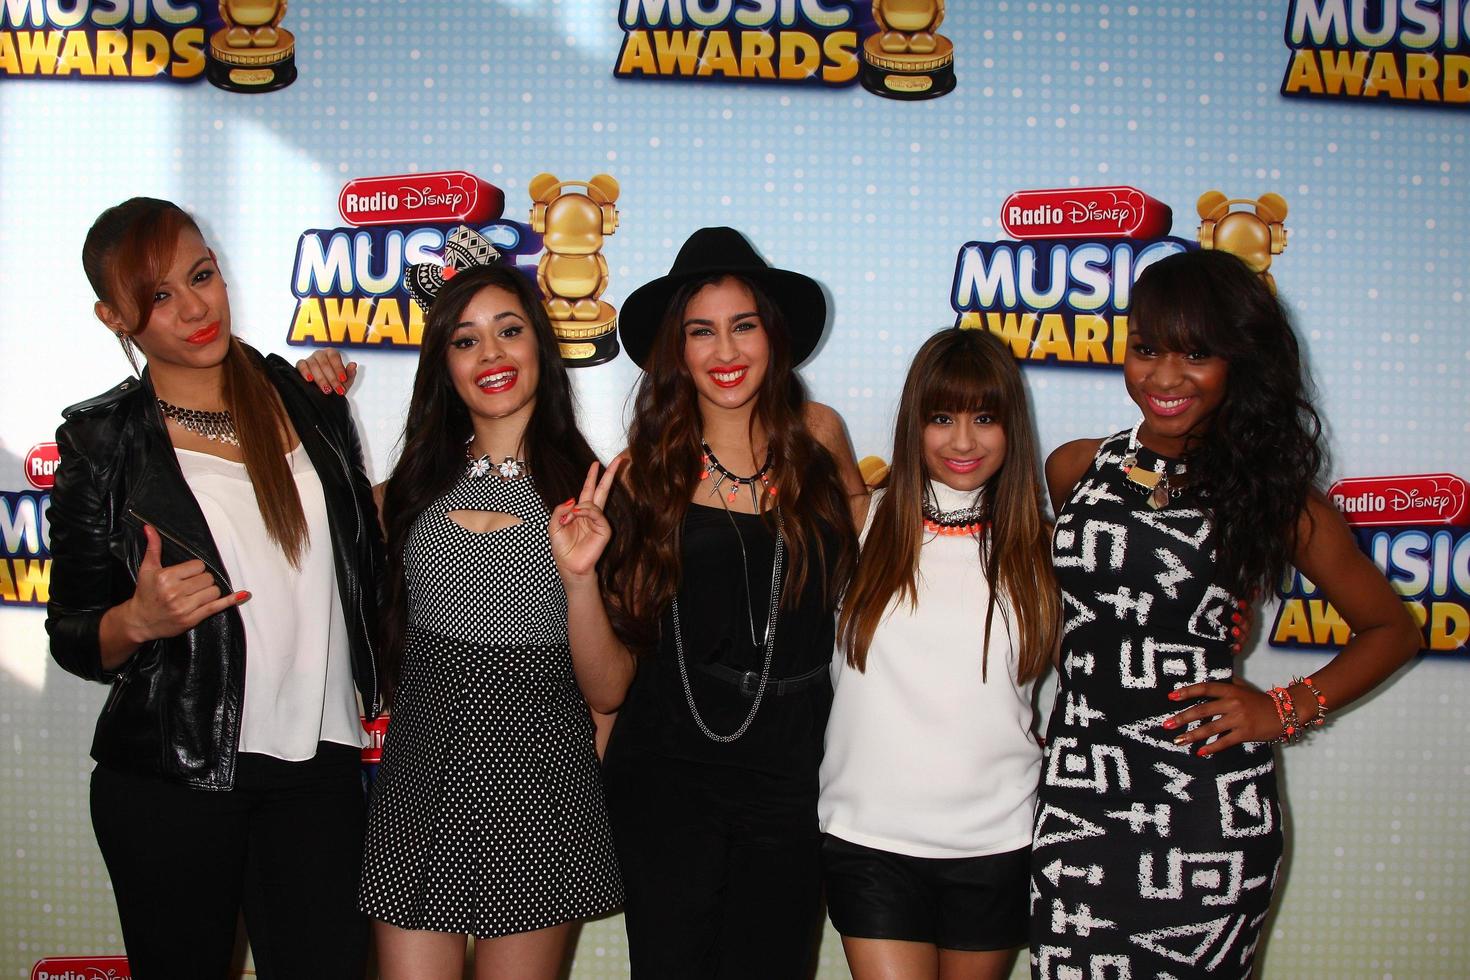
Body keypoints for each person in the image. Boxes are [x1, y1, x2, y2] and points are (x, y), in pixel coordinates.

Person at [1029, 248, 1420, 978]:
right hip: (1079, 799)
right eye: (1145, 349)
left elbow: (1394, 630)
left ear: (1239, 362)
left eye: (1196, 354)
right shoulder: (1073, 467)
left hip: (1206, 807)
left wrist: (1285, 708)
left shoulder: (1278, 499)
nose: (1165, 377)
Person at [46, 197, 382, 978]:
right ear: (114, 316)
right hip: (175, 775)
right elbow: (73, 634)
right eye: (159, 296)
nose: (195, 307)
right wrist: (138, 618)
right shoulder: (102, 442)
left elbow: (364, 554)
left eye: (202, 275)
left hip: (320, 774)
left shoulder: (308, 399)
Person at [294, 245, 625, 980]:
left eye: (509, 329)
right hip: (419, 773)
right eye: (465, 339)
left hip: (541, 782)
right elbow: (292, 521)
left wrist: (577, 580)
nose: (491, 353)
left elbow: (609, 692)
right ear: (443, 364)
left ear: (541, 341)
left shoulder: (594, 499)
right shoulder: (402, 495)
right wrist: (308, 398)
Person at [565, 226, 864, 978]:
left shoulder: (821, 439)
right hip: (668, 780)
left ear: (774, 335)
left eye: (744, 326)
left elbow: (875, 578)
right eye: (702, 332)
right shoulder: (642, 475)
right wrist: (576, 581)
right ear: (677, 349)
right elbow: (609, 686)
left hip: (794, 779)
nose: (725, 352)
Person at [820, 327, 1059, 980]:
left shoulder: (1043, 549)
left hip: (998, 842)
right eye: (942, 417)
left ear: (1013, 428)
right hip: (869, 840)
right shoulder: (859, 524)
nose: (963, 441)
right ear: (913, 425)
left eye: (985, 418)